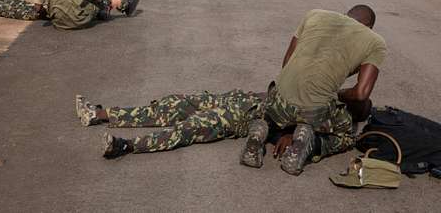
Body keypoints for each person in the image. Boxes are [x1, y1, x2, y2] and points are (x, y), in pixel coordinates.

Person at [240, 6, 386, 176]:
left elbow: (287, 60)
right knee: (347, 135)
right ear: (369, 27)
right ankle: (309, 143)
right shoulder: (375, 41)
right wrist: (339, 95)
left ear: (346, 15)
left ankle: (263, 128)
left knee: (276, 108)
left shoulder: (314, 14)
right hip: (313, 109)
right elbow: (361, 94)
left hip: (278, 97)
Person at [76, 91, 372, 160]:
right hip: (238, 98)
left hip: (240, 119)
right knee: (173, 104)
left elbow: (315, 140)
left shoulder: (340, 126)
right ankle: (100, 115)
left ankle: (125, 146)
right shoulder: (327, 100)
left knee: (189, 128)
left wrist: (284, 135)